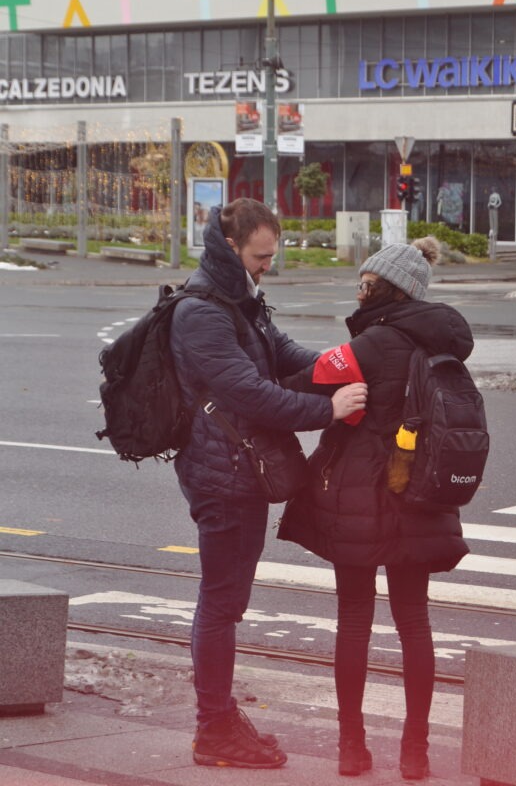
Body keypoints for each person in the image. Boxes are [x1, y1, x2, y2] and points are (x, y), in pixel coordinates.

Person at [169, 199, 367, 770]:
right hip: (223, 477)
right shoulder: (202, 312)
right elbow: (251, 393)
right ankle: (213, 729)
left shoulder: (239, 299)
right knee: (221, 603)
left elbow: (281, 353)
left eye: (271, 255)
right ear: (230, 247)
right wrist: (328, 409)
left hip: (238, 470)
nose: (267, 266)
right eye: (260, 256)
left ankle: (220, 719)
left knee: (226, 602)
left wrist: (347, 364)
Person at [278, 237, 473, 779]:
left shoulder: (365, 348)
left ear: (385, 289)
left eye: (365, 284)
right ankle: (415, 752)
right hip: (421, 498)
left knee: (354, 620)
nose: (359, 293)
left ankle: (352, 748)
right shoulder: (443, 347)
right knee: (414, 621)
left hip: (359, 500)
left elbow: (295, 384)